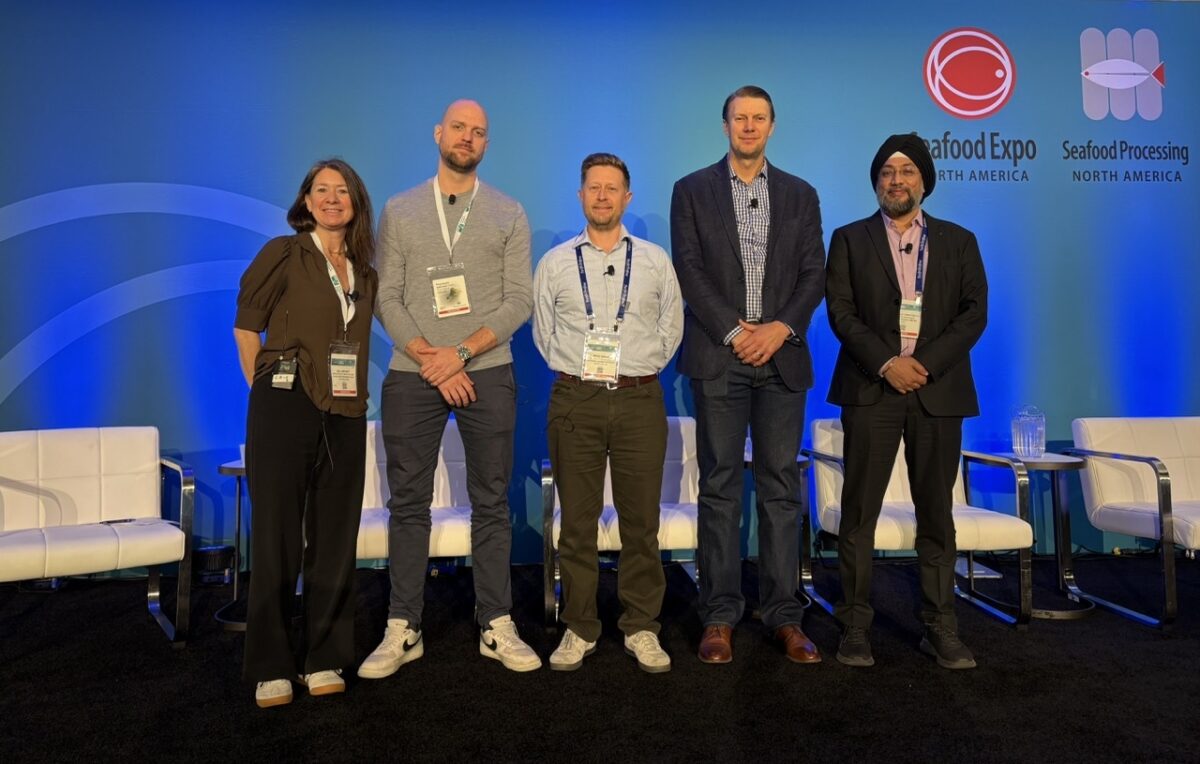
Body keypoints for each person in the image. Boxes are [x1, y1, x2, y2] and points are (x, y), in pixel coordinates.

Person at [361, 99, 539, 677]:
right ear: (439, 133)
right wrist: (429, 358)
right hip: (414, 374)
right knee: (407, 505)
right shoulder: (400, 209)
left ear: (486, 145)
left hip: (487, 369)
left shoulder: (509, 212)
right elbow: (387, 296)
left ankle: (496, 623)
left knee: (492, 502)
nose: (467, 137)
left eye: (478, 132)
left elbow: (519, 301)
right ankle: (402, 625)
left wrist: (459, 354)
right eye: (459, 128)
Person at [670, 85, 826, 664]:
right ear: (726, 124)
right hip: (720, 356)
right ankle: (719, 616)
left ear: (772, 126)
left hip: (781, 356)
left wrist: (778, 328)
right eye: (741, 117)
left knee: (782, 488)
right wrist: (738, 332)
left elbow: (814, 272)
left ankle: (786, 616)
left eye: (760, 118)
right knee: (720, 488)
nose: (750, 126)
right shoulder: (691, 190)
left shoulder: (800, 194)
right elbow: (689, 269)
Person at [825, 133, 988, 670]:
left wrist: (925, 364)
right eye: (887, 172)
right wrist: (888, 363)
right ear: (876, 183)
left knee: (937, 515)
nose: (897, 180)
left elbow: (973, 314)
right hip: (872, 390)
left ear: (924, 180)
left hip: (936, 393)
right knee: (859, 515)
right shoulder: (849, 239)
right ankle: (853, 626)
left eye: (907, 171)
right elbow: (842, 313)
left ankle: (940, 627)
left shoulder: (959, 240)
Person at [233, 158, 377, 708]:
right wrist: (264, 388)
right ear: (306, 200)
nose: (333, 198)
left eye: (343, 191)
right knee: (277, 538)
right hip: (284, 405)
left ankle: (324, 658)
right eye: (323, 190)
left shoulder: (364, 268)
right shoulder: (284, 252)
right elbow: (247, 325)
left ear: (356, 202)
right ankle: (272, 665)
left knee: (335, 540)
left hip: (345, 410)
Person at [533, 153, 684, 673]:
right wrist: (580, 371)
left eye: (612, 188)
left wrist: (639, 369)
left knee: (641, 524)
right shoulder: (554, 263)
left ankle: (641, 626)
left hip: (641, 398)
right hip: (576, 397)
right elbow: (543, 333)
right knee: (575, 525)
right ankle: (579, 627)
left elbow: (672, 328)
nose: (602, 196)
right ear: (580, 196)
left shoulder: (654, 260)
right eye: (593, 188)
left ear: (627, 197)